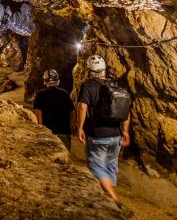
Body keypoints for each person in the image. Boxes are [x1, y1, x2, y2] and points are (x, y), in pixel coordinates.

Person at [76, 55, 131, 205]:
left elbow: (82, 107)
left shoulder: (88, 86)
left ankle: (114, 198)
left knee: (97, 167)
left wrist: (80, 128)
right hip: (115, 135)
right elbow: (126, 110)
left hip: (98, 134)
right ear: (104, 69)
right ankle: (109, 197)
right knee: (111, 167)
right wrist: (125, 132)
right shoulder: (115, 86)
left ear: (89, 71)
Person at [33, 69, 75, 150]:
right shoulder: (64, 94)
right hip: (64, 131)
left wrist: (41, 129)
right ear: (57, 80)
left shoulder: (40, 95)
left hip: (48, 132)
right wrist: (71, 126)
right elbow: (71, 111)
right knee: (65, 159)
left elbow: (38, 112)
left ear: (45, 81)